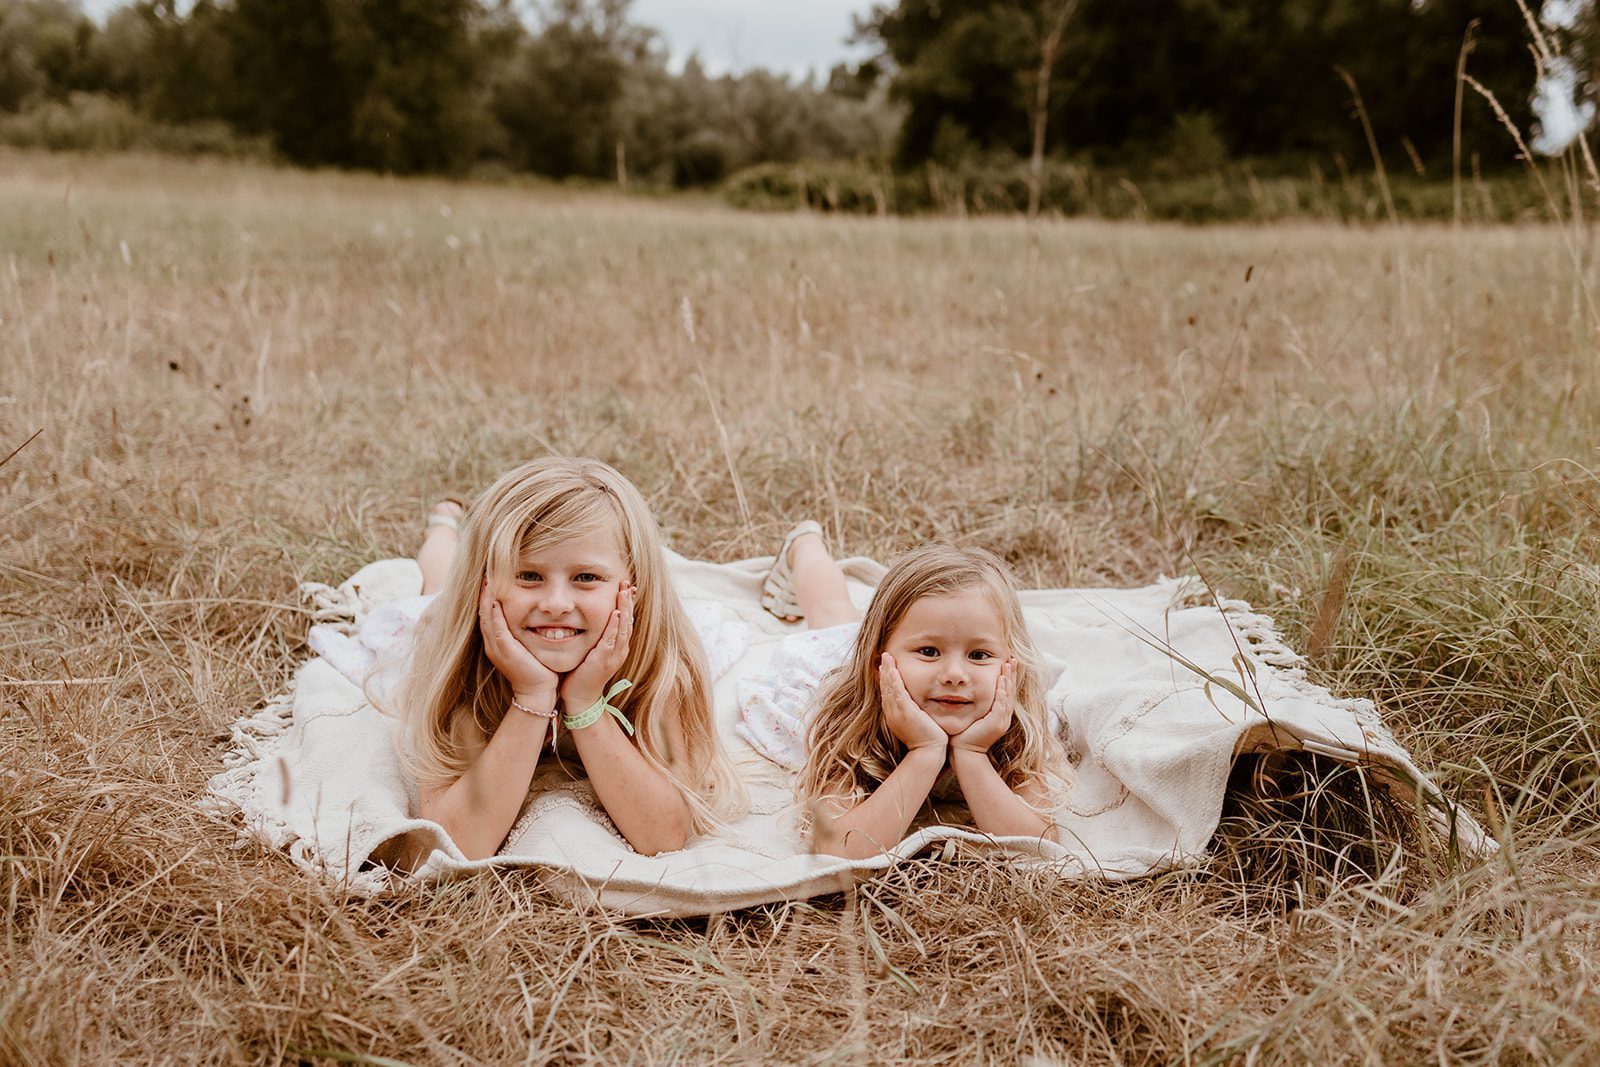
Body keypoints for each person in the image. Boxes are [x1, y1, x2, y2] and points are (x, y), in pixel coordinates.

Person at [387, 456, 742, 860]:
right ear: (483, 587)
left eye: (586, 578)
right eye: (529, 576)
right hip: (447, 607)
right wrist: (533, 696)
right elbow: (458, 843)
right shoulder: (453, 655)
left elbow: (662, 836)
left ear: (632, 591)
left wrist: (586, 702)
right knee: (432, 585)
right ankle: (444, 524)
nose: (556, 604)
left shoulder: (662, 663)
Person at [745, 527, 1069, 860]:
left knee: (837, 610)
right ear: (878, 661)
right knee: (830, 610)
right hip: (839, 663)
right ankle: (804, 543)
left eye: (978, 655)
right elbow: (836, 849)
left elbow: (1039, 848)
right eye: (929, 651)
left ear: (1009, 665)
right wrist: (925, 751)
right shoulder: (850, 718)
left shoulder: (1017, 723)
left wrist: (971, 753)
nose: (955, 675)